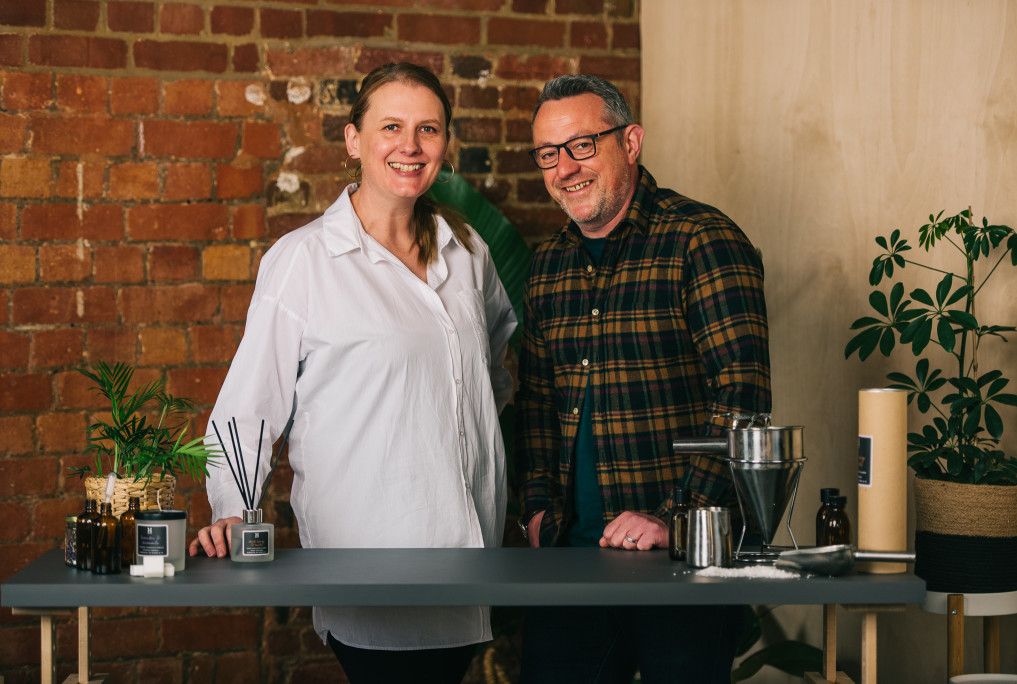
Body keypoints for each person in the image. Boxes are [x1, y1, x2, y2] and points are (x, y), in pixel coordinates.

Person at [188, 62, 517, 684]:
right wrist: (233, 507)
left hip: (472, 553)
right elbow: (248, 406)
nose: (410, 146)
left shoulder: (468, 250)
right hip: (370, 550)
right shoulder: (303, 262)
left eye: (429, 129)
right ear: (353, 140)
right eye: (391, 126)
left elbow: (493, 364)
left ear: (445, 145)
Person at [514, 74, 771, 683]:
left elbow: (744, 396)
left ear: (630, 142)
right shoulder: (548, 265)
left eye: (582, 145)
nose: (565, 168)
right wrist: (536, 510)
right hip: (570, 564)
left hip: (682, 563)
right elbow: (536, 404)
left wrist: (672, 517)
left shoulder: (701, 240)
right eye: (548, 154)